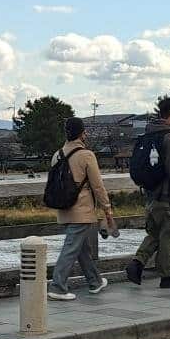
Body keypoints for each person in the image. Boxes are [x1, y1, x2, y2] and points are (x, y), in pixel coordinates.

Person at [46, 116, 117, 301]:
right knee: (71, 248)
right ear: (82, 133)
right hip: (82, 210)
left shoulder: (57, 155)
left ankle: (95, 281)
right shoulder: (86, 155)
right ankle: (58, 286)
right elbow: (98, 186)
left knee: (82, 248)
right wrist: (107, 209)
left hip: (63, 209)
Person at [126, 95, 170, 289]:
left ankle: (136, 264)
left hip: (151, 197)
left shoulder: (147, 136)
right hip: (168, 197)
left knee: (154, 235)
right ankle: (169, 276)